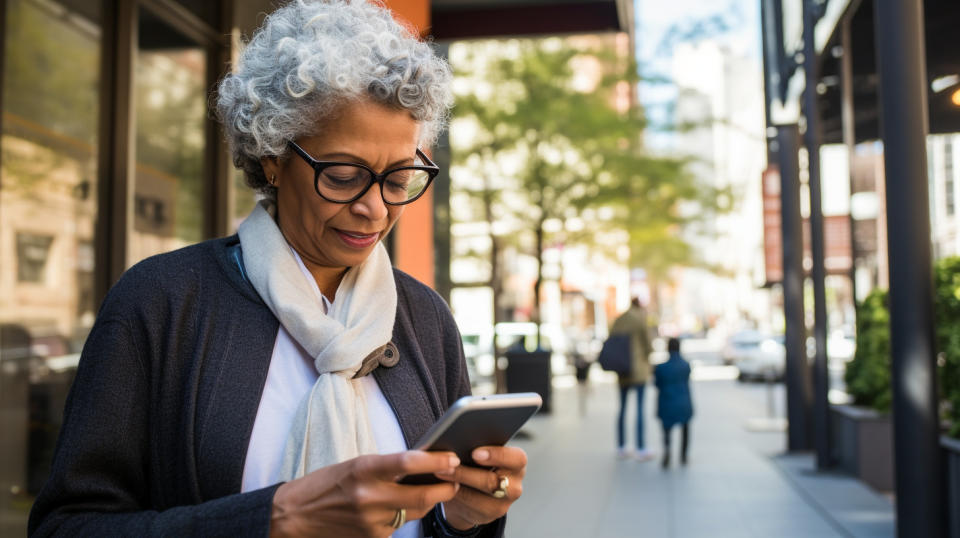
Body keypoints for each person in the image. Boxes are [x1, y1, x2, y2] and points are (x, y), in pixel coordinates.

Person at [28, 2, 526, 536]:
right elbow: (67, 525)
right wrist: (273, 519)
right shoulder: (161, 303)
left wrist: (463, 518)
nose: (375, 208)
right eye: (342, 175)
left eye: (399, 178)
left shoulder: (424, 317)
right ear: (272, 157)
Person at [609, 297, 653, 461]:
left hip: (622, 370)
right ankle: (640, 447)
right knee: (640, 409)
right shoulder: (640, 319)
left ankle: (621, 445)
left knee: (622, 409)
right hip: (639, 371)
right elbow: (648, 345)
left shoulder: (619, 319)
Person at [654, 337, 694, 468]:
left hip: (666, 403)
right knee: (685, 428)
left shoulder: (661, 368)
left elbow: (657, 384)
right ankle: (683, 456)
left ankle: (667, 451)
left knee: (666, 430)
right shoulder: (686, 366)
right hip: (684, 403)